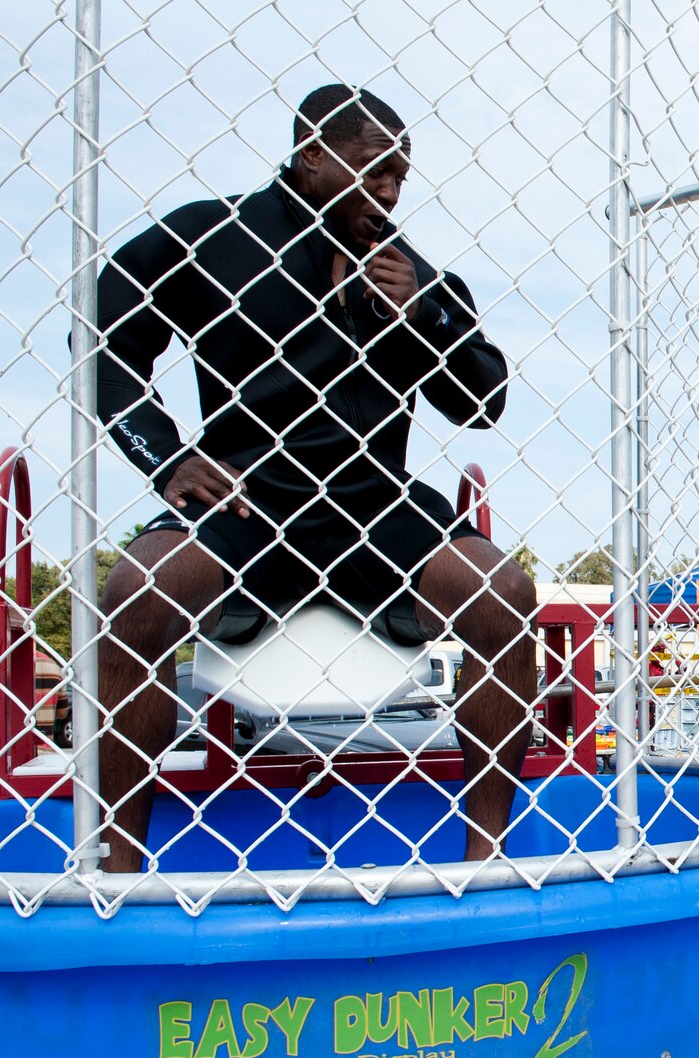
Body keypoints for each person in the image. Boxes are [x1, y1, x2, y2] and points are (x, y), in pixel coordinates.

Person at [94, 85, 535, 872]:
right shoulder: (213, 235)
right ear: (313, 153)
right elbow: (102, 335)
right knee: (138, 589)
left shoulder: (408, 268)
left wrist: (426, 316)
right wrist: (164, 456)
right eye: (374, 170)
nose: (392, 192)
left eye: (402, 174)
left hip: (375, 500)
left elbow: (484, 400)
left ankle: (486, 859)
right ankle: (119, 870)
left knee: (504, 595)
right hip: (249, 496)